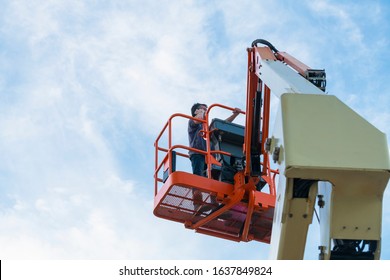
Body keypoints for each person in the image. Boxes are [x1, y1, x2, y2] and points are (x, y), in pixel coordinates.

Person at [188, 103, 241, 213]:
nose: (206, 111)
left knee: (214, 177)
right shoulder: (193, 123)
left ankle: (215, 203)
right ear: (196, 111)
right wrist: (200, 114)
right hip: (198, 154)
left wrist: (235, 115)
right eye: (203, 109)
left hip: (210, 155)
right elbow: (197, 120)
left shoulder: (207, 128)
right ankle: (197, 205)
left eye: (206, 110)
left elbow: (222, 125)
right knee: (198, 178)